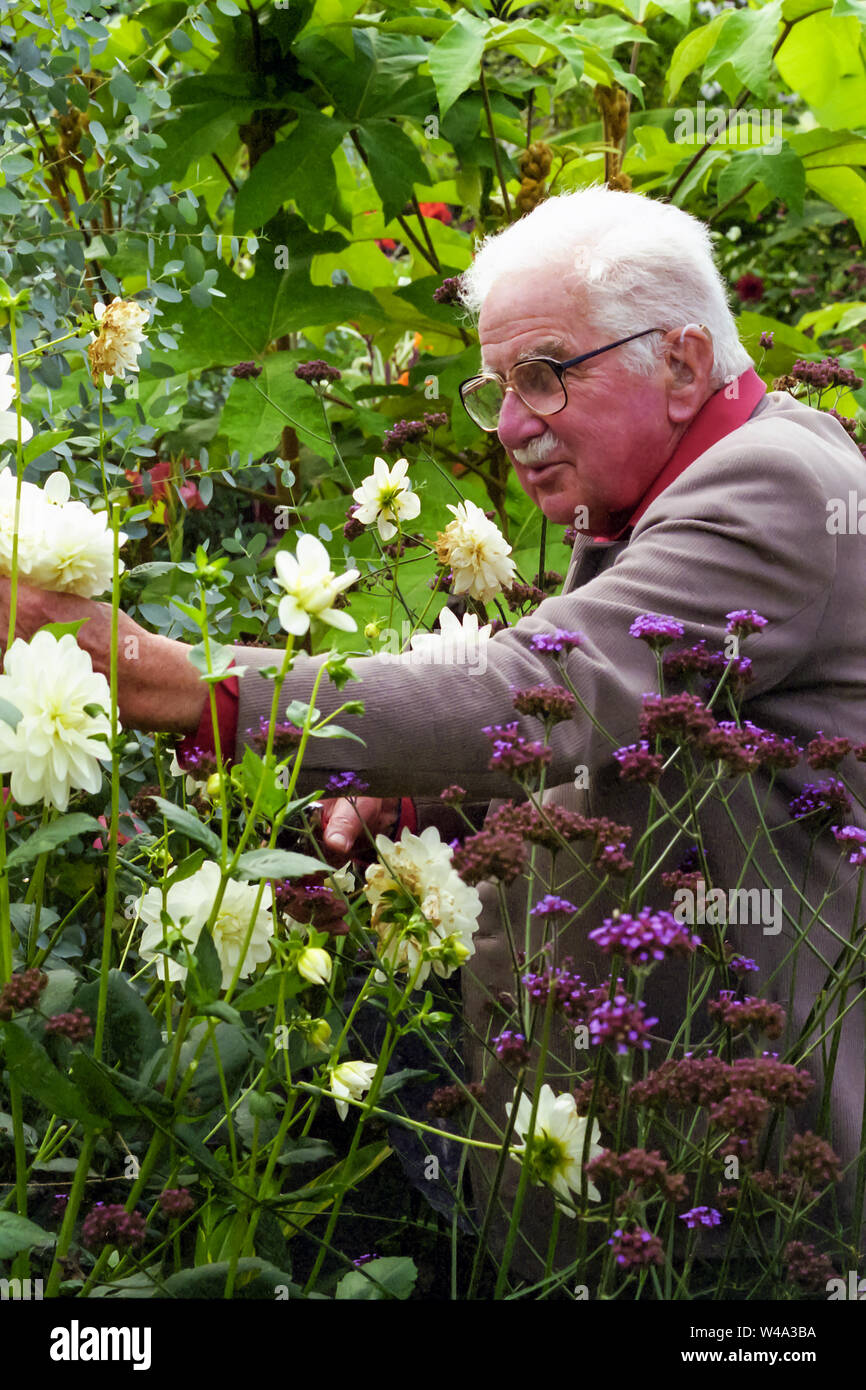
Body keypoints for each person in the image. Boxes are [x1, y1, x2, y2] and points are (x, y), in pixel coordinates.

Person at [4, 187, 866, 1273]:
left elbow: (535, 685)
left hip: (721, 1190)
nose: (510, 425)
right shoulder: (662, 483)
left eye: (545, 374)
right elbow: (621, 727)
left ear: (682, 363)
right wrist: (420, 799)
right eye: (495, 388)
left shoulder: (773, 484)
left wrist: (183, 683)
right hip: (627, 1144)